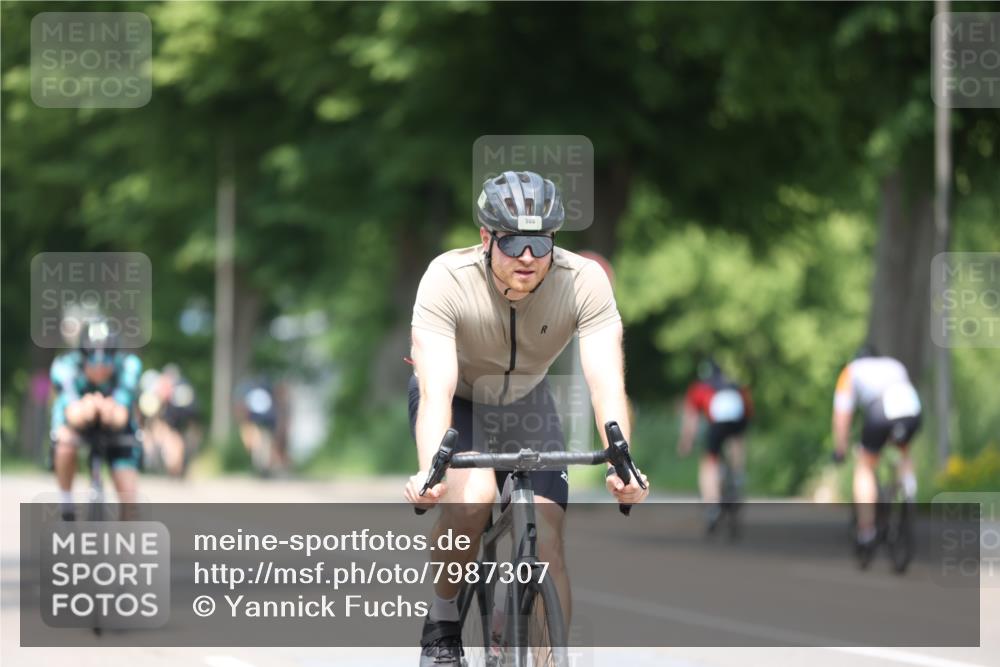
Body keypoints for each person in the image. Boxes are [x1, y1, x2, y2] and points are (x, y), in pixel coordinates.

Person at [402, 170, 649, 666]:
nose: (528, 258)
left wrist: (623, 466)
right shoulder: (446, 279)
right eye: (513, 242)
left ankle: (546, 657)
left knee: (547, 534)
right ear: (486, 237)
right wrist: (433, 471)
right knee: (472, 499)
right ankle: (444, 618)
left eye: (540, 243)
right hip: (463, 399)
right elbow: (436, 391)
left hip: (527, 401)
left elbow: (606, 384)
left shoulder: (583, 282)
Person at [832, 343, 922, 564]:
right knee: (902, 449)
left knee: (865, 466)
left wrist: (840, 448)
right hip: (911, 407)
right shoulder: (894, 365)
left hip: (881, 409)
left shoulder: (850, 371)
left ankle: (866, 530)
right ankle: (909, 484)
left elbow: (842, 415)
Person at [49, 318, 143, 520]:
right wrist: (91, 408)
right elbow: (73, 415)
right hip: (77, 424)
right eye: (93, 361)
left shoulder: (128, 367)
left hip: (117, 427)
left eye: (106, 361)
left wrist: (101, 407)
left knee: (129, 500)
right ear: (82, 357)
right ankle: (66, 504)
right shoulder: (65, 367)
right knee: (63, 442)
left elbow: (120, 416)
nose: (99, 368)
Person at [677, 358, 752, 532]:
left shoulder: (700, 387)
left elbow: (691, 420)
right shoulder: (734, 385)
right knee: (736, 440)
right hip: (738, 418)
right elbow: (747, 414)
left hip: (717, 423)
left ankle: (712, 504)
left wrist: (686, 443)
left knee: (709, 462)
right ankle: (738, 475)